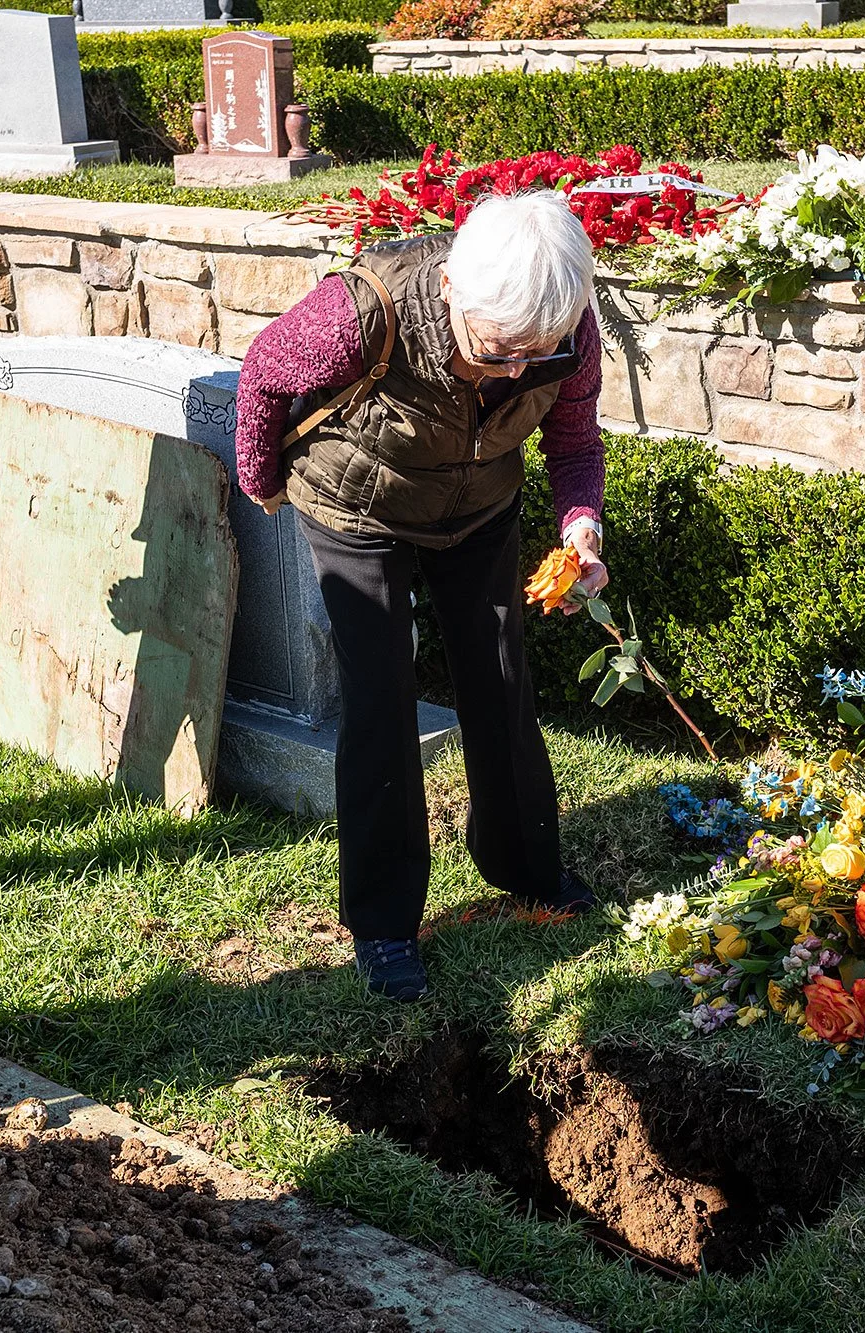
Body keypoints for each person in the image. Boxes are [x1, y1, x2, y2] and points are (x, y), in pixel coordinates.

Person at [234, 192, 609, 1003]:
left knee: (501, 681)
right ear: (451, 295)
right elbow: (264, 372)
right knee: (381, 703)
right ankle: (384, 923)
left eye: (532, 356)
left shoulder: (564, 331)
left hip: (478, 507)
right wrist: (261, 482)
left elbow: (574, 439)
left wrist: (582, 531)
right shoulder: (365, 309)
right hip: (356, 504)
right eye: (498, 351)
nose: (515, 371)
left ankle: (526, 866)